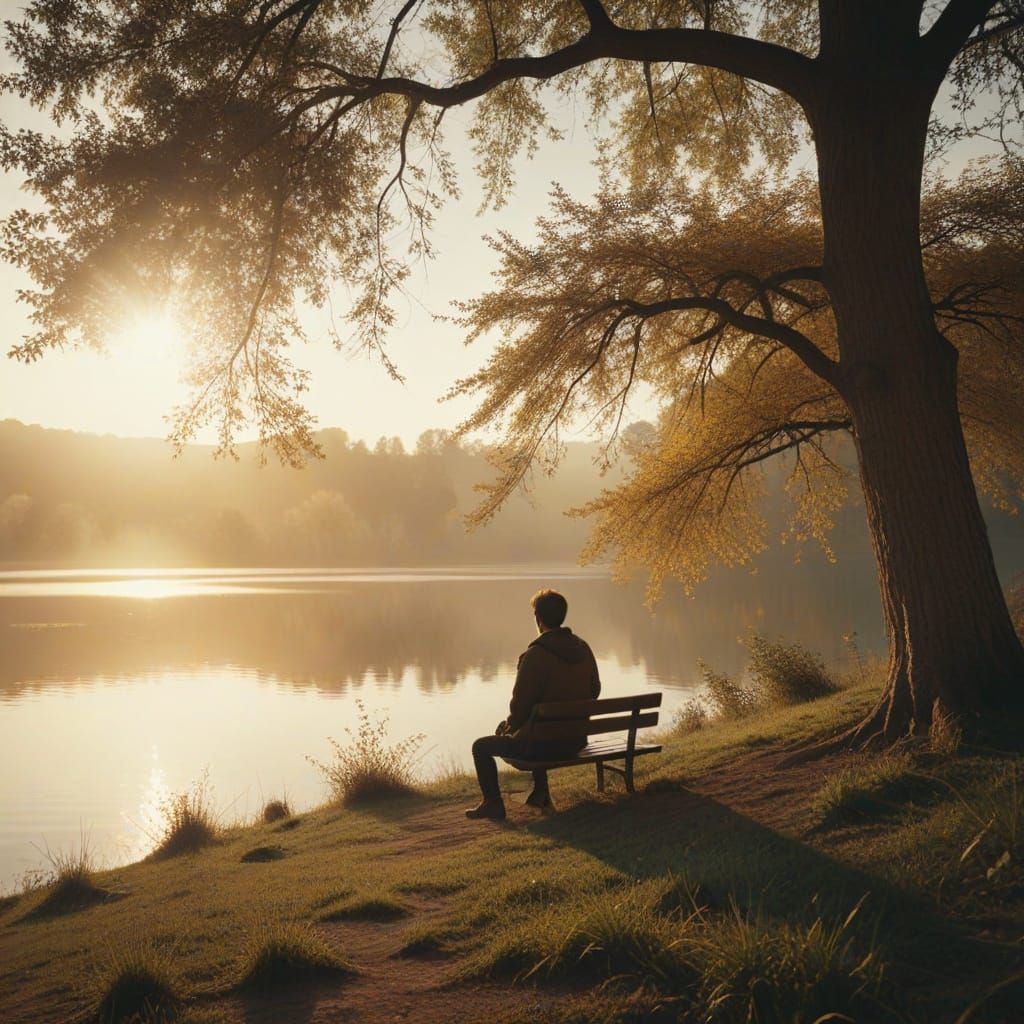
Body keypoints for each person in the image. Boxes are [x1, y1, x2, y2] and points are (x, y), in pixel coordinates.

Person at [466, 589, 601, 820]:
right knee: (536, 725)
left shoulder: (535, 655)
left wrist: (509, 728)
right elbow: (595, 690)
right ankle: (539, 792)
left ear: (538, 618)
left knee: (481, 746)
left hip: (543, 745)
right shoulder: (583, 648)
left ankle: (493, 803)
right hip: (575, 739)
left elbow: (519, 708)